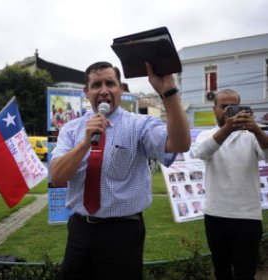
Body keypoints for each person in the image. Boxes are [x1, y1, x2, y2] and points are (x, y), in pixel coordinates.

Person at [50, 61, 190, 280]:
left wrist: (169, 92)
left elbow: (180, 144)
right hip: (80, 229)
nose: (104, 90)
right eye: (96, 85)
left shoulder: (139, 125)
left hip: (122, 232)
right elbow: (57, 176)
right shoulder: (72, 129)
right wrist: (85, 143)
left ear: (121, 89)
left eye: (110, 83)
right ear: (86, 92)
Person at [191, 88, 268, 280]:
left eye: (234, 107)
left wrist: (256, 128)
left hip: (248, 216)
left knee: (245, 272)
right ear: (214, 109)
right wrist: (228, 127)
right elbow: (201, 152)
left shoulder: (252, 134)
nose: (228, 111)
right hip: (216, 214)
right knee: (222, 271)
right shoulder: (206, 135)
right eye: (224, 106)